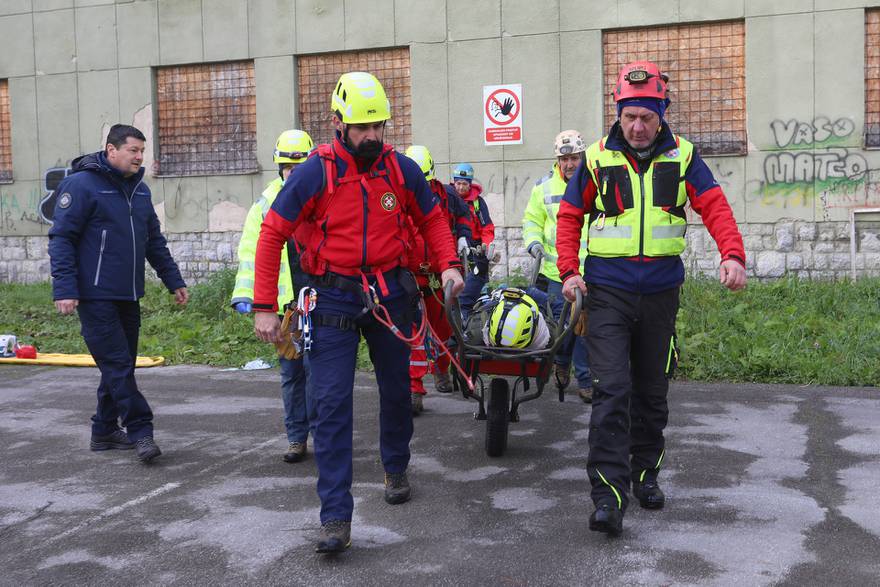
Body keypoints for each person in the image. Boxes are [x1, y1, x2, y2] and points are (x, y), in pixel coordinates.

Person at [251, 72, 464, 554]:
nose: (372, 136)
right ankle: (335, 518)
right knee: (330, 406)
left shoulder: (399, 169)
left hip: (390, 291)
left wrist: (449, 265)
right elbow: (271, 234)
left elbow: (431, 217)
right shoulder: (314, 172)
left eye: (379, 126)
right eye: (362, 128)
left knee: (397, 392)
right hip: (331, 297)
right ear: (338, 124)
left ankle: (396, 466)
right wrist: (264, 306)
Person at [556, 61, 747, 536]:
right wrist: (568, 271)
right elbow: (568, 216)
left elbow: (715, 205)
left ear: (661, 114)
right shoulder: (597, 158)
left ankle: (645, 475)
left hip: (661, 294)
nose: (637, 127)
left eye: (646, 117)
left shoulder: (684, 156)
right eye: (629, 117)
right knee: (612, 391)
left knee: (651, 392)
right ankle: (607, 497)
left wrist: (732, 254)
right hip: (607, 294)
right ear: (617, 114)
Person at [48, 124, 188, 463]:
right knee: (117, 366)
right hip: (94, 296)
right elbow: (62, 238)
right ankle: (141, 431)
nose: (140, 157)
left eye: (142, 151)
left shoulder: (139, 191)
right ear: (111, 151)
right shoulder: (81, 185)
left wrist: (174, 280)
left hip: (129, 295)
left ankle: (104, 430)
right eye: (133, 151)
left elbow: (153, 241)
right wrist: (65, 288)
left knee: (119, 365)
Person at [231, 129, 314, 462]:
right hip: (287, 310)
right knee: (292, 373)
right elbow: (250, 251)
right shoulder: (266, 204)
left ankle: (325, 437)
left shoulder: (323, 197)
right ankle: (297, 438)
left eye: (299, 167)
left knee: (322, 375)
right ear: (279, 167)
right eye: (287, 167)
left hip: (322, 305)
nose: (293, 173)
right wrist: (246, 295)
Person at [522, 130, 592, 402]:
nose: (569, 164)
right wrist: (533, 243)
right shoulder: (543, 187)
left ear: (582, 156)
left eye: (574, 157)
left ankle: (586, 380)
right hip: (556, 273)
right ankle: (562, 363)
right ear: (557, 160)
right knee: (564, 327)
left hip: (589, 272)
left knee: (584, 328)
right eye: (564, 159)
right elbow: (531, 220)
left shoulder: (594, 183)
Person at [403, 145, 470, 414]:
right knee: (414, 334)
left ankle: (441, 371)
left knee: (443, 328)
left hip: (439, 275)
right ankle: (414, 389)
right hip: (409, 275)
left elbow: (464, 216)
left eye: (427, 181)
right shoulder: (397, 195)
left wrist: (464, 237)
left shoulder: (448, 195)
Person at [448, 163, 496, 320]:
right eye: (458, 183)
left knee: (480, 287)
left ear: (470, 184)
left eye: (464, 184)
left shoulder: (477, 203)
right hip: (454, 250)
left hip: (475, 251)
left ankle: (481, 319)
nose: (461, 188)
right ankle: (458, 318)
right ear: (454, 182)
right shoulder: (448, 199)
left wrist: (486, 246)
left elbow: (487, 227)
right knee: (456, 288)